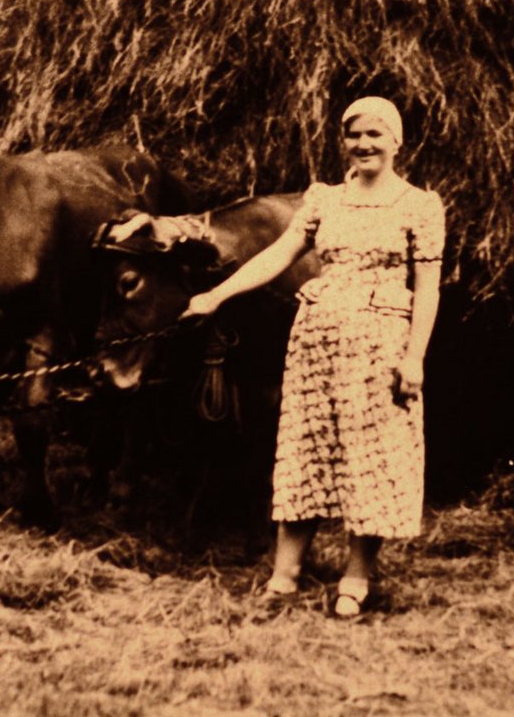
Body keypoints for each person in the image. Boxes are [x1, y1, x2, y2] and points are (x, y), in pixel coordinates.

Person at [182, 96, 444, 617]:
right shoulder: (325, 199)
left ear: (396, 141)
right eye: (354, 135)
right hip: (317, 341)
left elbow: (429, 287)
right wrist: (217, 296)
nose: (364, 144)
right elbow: (278, 256)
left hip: (381, 344)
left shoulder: (419, 205)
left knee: (372, 457)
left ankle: (356, 577)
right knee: (305, 449)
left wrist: (414, 357)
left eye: (375, 134)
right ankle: (285, 573)